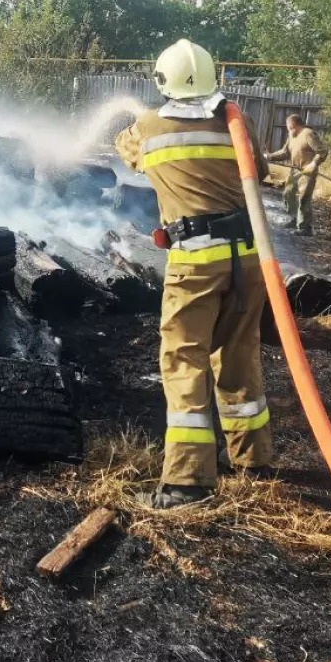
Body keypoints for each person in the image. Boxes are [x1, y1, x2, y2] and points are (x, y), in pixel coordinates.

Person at [114, 39, 273, 509]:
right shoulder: (235, 122)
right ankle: (253, 460)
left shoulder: (147, 127)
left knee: (184, 362)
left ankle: (187, 481)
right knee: (240, 355)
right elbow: (257, 172)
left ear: (162, 81)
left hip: (194, 262)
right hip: (246, 258)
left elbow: (127, 151)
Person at [265, 114, 328, 234]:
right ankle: (295, 219)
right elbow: (284, 153)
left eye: (288, 126)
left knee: (303, 198)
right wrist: (269, 157)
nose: (287, 128)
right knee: (288, 194)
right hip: (294, 170)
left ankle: (305, 228)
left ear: (293, 125)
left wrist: (314, 164)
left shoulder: (308, 133)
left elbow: (323, 151)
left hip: (307, 172)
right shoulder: (292, 135)